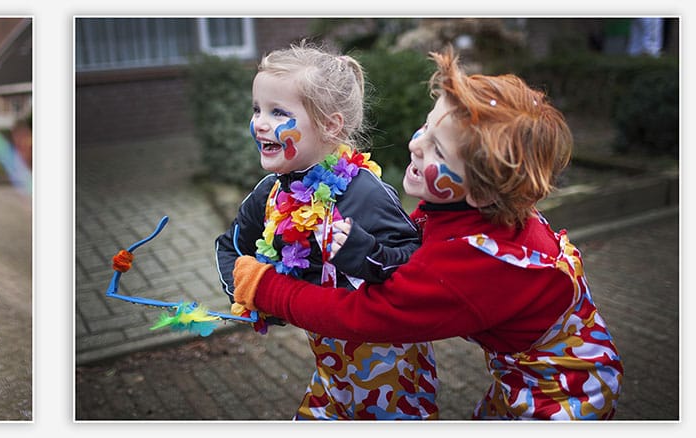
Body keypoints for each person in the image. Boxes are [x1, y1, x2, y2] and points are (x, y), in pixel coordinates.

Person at [231, 46, 623, 420]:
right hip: (521, 373)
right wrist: (367, 253)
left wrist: (266, 289)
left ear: (484, 190)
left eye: (439, 151)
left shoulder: (471, 263)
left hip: (564, 394)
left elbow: (363, 317)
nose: (416, 145)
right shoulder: (462, 206)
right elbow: (410, 258)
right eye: (426, 128)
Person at [215, 42, 435, 420]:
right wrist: (252, 290)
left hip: (392, 383)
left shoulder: (365, 192)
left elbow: (415, 265)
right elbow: (230, 245)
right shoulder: (270, 193)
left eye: (278, 111)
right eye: (257, 109)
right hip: (330, 376)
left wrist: (363, 253)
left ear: (330, 125)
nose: (260, 122)